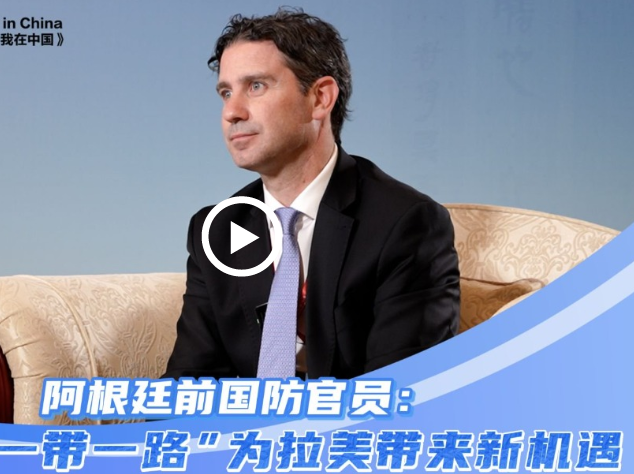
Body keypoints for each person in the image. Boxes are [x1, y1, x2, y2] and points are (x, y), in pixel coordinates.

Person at [163, 8, 459, 380]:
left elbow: (399, 393)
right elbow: (189, 382)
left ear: (320, 98)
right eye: (226, 92)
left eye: (256, 86)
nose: (231, 112)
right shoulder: (217, 230)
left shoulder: (406, 224)